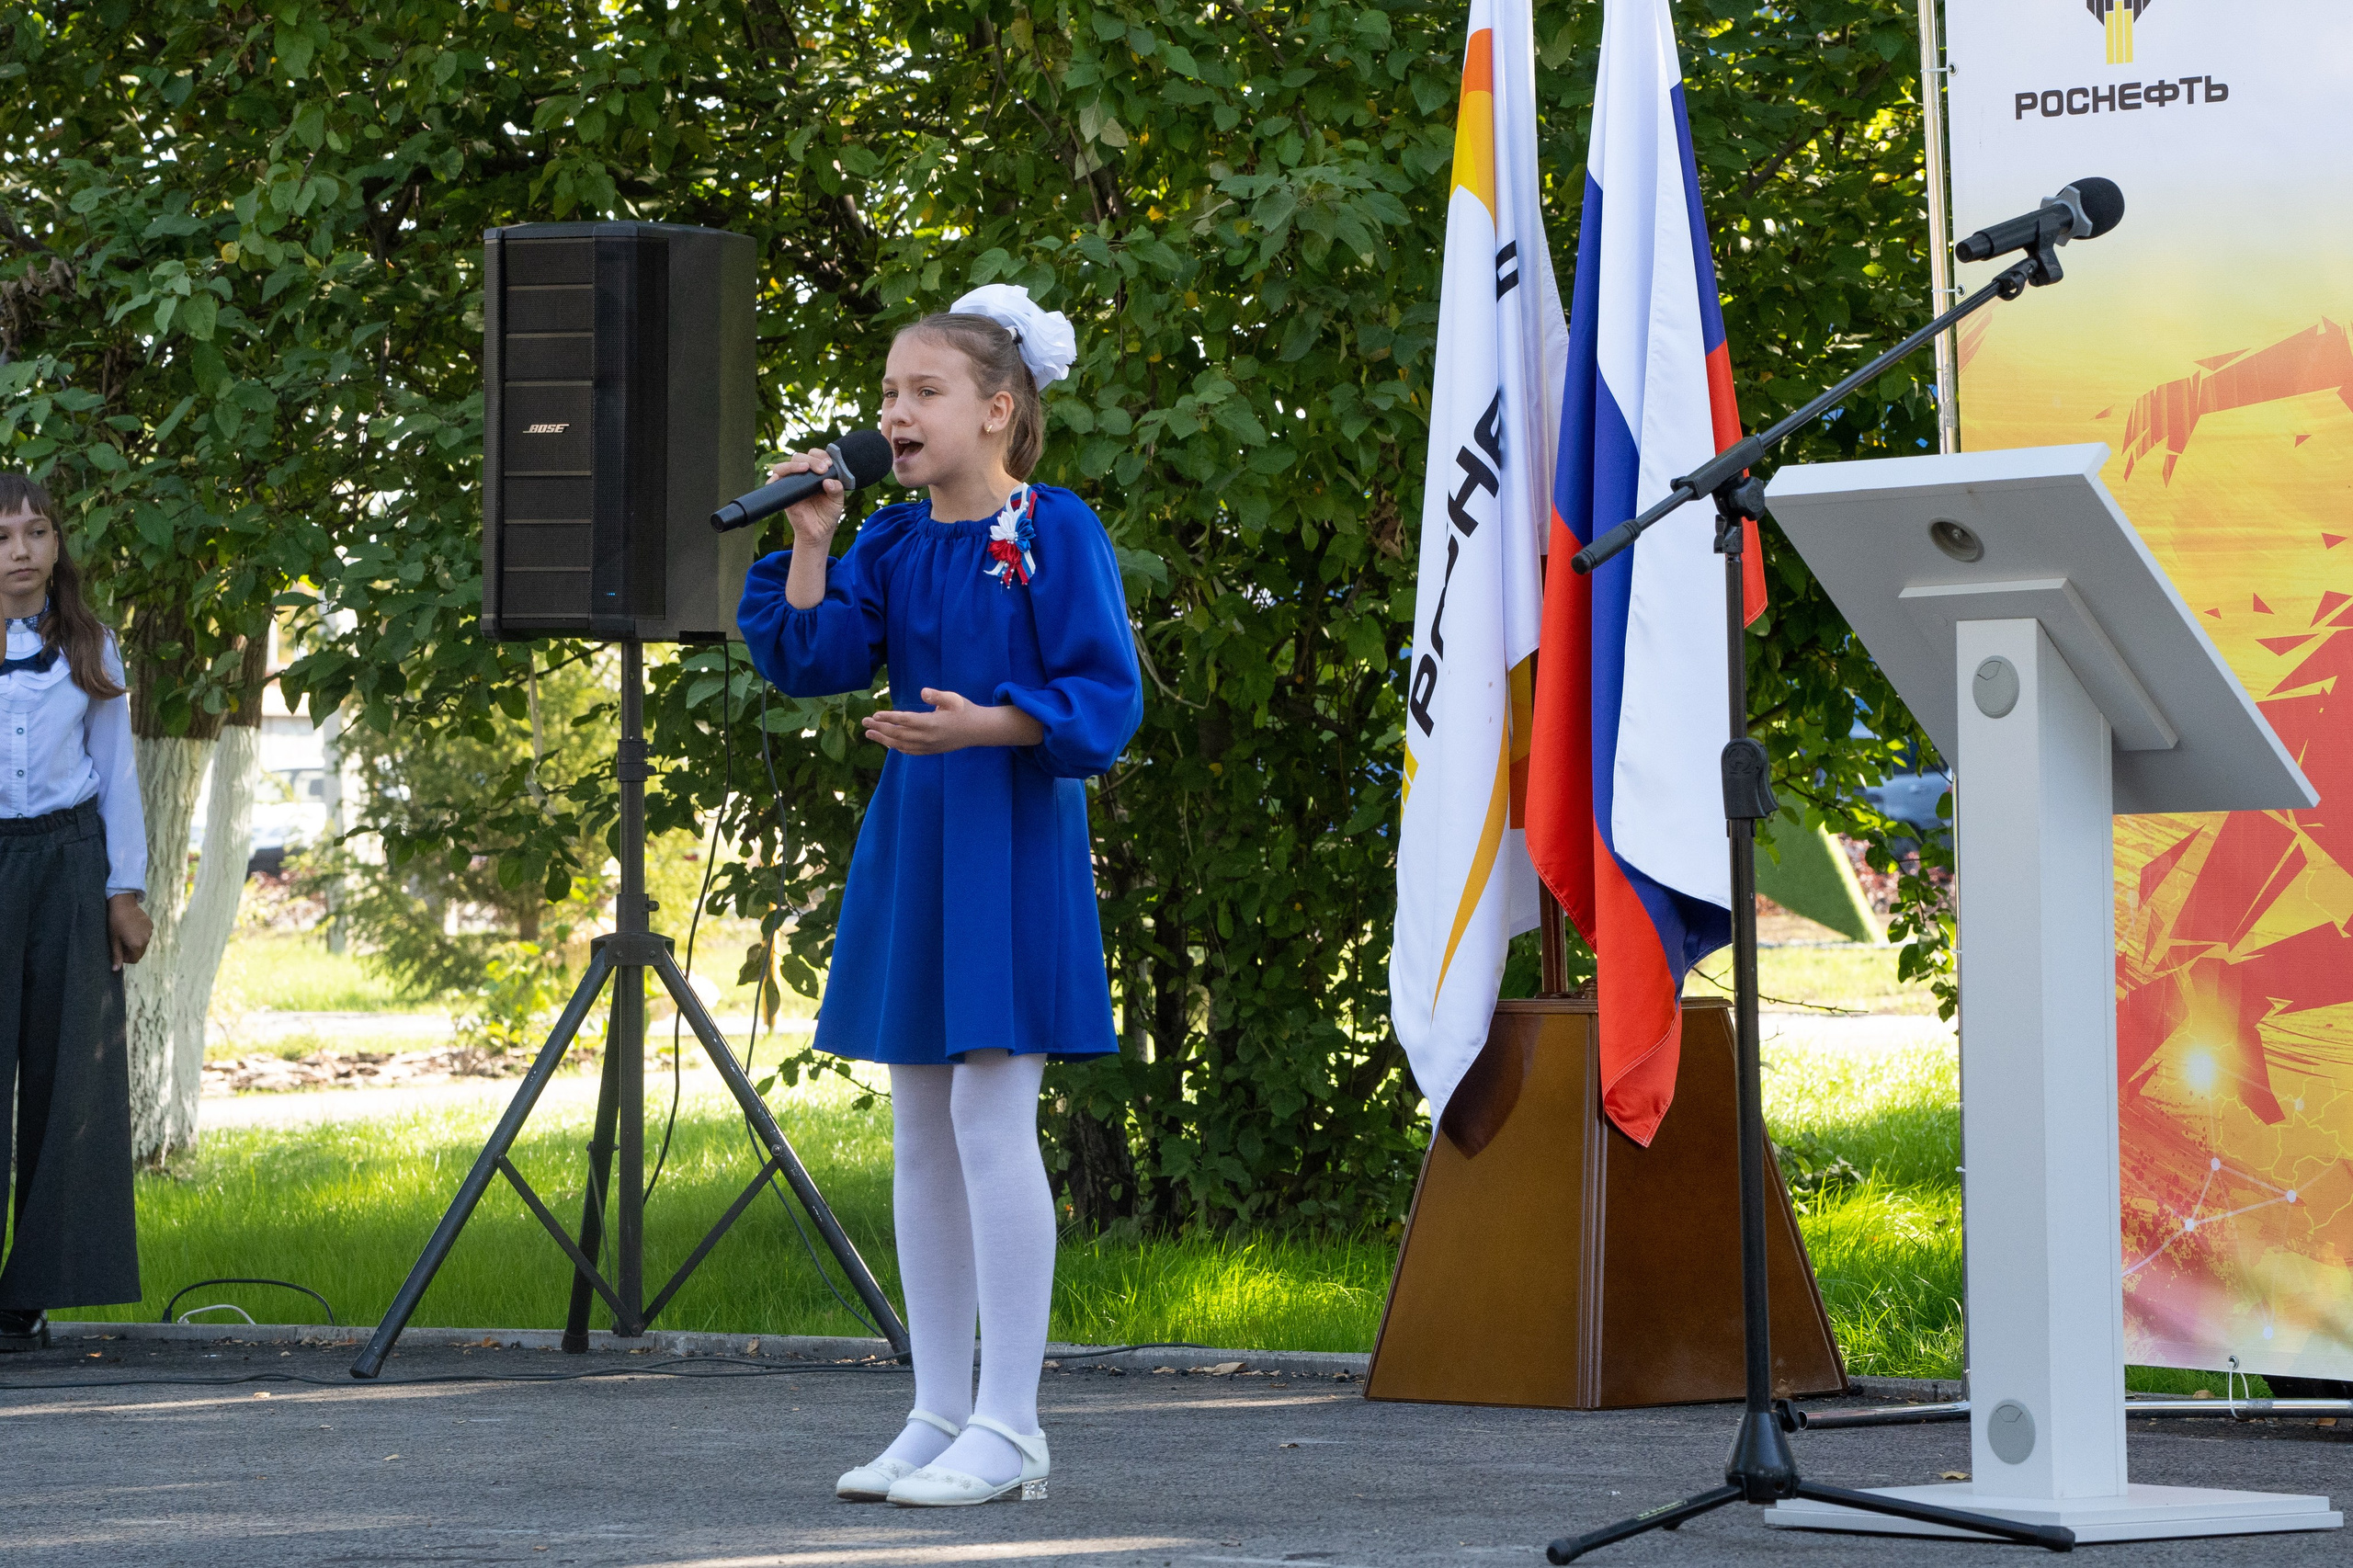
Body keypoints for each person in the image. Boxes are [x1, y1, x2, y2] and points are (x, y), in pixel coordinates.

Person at [738, 285, 1142, 1506]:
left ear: (998, 410)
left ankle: (1011, 1420)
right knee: (921, 1128)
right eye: (886, 397)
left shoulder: (1055, 528)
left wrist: (993, 725)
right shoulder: (891, 542)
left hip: (1009, 831)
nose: (894, 416)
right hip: (918, 838)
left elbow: (1103, 695)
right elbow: (812, 656)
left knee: (987, 1121)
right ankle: (937, 1407)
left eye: (922, 393)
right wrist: (809, 539)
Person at [0, 472, 152, 1352]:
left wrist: (121, 892)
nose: (20, 552)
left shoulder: (90, 645)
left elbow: (117, 773)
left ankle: (30, 1294)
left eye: (36, 532)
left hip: (67, 861)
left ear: (58, 546)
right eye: (3, 536)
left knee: (69, 1076)